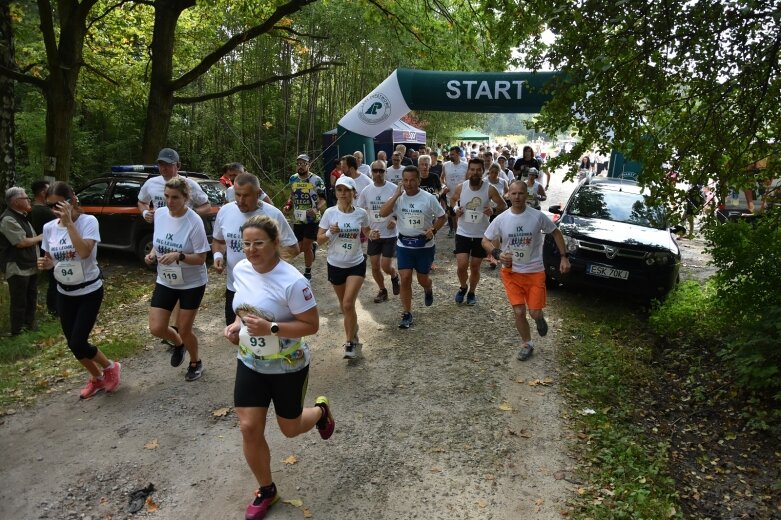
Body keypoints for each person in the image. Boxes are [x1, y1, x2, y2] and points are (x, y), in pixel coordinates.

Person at [223, 215, 335, 520]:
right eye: (246, 243)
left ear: (275, 244)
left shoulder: (293, 281)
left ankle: (321, 412)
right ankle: (266, 489)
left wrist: (272, 328)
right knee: (248, 427)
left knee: (290, 428)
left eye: (258, 243)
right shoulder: (242, 269)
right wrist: (235, 326)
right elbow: (242, 311)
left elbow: (311, 326)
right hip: (250, 361)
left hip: (288, 365)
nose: (251, 249)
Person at [38, 182, 121, 398]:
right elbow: (52, 260)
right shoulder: (49, 228)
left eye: (58, 204)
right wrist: (47, 265)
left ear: (72, 201)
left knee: (78, 341)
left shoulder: (88, 222)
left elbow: (84, 252)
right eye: (50, 206)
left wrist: (69, 225)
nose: (55, 210)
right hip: (64, 292)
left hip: (89, 291)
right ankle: (97, 378)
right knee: (74, 346)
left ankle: (110, 367)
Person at [482, 180, 570, 361]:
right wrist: (497, 254)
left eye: (521, 193)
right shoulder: (502, 218)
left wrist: (563, 256)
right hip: (511, 272)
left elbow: (555, 232)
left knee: (534, 312)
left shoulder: (537, 216)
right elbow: (485, 240)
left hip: (534, 271)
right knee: (519, 311)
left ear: (526, 195)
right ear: (508, 195)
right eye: (513, 193)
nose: (517, 197)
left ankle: (539, 318)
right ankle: (527, 343)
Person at [144, 177, 209, 381]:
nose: (169, 202)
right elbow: (159, 241)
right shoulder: (161, 214)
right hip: (166, 279)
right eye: (166, 196)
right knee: (156, 328)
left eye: (175, 197)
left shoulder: (194, 221)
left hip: (191, 283)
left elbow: (201, 258)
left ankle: (195, 362)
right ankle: (179, 344)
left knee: (185, 327)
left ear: (186, 198)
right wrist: (153, 253)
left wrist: (179, 256)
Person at [213, 173, 299, 325]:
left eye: (246, 196)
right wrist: (218, 256)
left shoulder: (272, 214)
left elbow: (293, 248)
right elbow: (218, 240)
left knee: (266, 337)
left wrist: (268, 262)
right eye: (237, 195)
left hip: (266, 287)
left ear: (258, 194)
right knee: (235, 334)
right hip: (235, 287)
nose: (240, 200)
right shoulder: (225, 211)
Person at [379, 165, 446, 329]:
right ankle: (407, 312)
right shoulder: (398, 198)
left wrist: (433, 229)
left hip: (424, 246)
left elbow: (442, 217)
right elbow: (382, 212)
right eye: (405, 180)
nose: (409, 184)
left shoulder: (428, 198)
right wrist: (395, 195)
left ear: (418, 180)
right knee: (406, 278)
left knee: (423, 279)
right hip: (404, 245)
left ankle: (428, 288)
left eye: (412, 180)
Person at [317, 177, 371, 358]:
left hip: (356, 263)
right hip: (335, 264)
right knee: (345, 306)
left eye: (346, 190)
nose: (342, 193)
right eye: (339, 190)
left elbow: (367, 232)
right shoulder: (329, 213)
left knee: (348, 303)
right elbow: (319, 239)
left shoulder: (361, 213)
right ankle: (353, 330)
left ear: (353, 193)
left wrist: (375, 235)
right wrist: (330, 232)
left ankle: (349, 343)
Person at [450, 159, 507, 305]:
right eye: (472, 169)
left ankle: (472, 292)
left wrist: (493, 209)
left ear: (483, 171)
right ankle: (463, 287)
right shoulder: (461, 187)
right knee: (461, 265)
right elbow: (452, 200)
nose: (475, 173)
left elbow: (503, 205)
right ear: (468, 171)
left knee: (475, 266)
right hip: (463, 232)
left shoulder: (490, 188)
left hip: (481, 235)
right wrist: (456, 209)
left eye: (478, 170)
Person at [356, 160, 401, 304]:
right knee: (374, 265)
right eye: (375, 170)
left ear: (385, 172)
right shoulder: (366, 191)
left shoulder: (394, 189)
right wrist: (366, 230)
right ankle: (382, 290)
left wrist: (394, 218)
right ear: (371, 172)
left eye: (381, 171)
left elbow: (402, 209)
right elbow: (360, 211)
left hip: (390, 234)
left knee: (385, 265)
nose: (378, 173)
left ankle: (394, 275)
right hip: (374, 233)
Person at [1, 188, 42, 335]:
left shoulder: (22, 216)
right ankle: (17, 332)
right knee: (19, 301)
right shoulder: (8, 219)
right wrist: (41, 237)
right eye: (26, 198)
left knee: (31, 297)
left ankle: (29, 327)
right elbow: (21, 242)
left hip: (29, 265)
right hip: (17, 267)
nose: (29, 200)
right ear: (16, 202)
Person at [282, 154, 326, 281]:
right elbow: (292, 195)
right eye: (298, 164)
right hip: (298, 218)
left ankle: (308, 272)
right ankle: (312, 247)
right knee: (299, 247)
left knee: (305, 247)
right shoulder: (293, 179)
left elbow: (323, 199)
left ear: (309, 165)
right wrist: (288, 205)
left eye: (303, 164)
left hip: (312, 219)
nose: (300, 166)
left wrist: (316, 208)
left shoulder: (316, 180)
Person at [30, 180, 57, 316]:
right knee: (55, 280)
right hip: (49, 250)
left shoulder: (35, 209)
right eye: (49, 190)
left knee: (53, 279)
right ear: (42, 193)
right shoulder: (43, 211)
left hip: (45, 248)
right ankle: (54, 309)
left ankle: (54, 308)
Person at [440, 145, 468, 237]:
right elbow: (441, 178)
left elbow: (468, 180)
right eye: (450, 154)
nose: (450, 156)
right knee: (451, 214)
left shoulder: (465, 166)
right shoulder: (445, 165)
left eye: (453, 154)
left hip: (462, 195)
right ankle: (453, 230)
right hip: (450, 194)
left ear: (458, 154)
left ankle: (461, 231)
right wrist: (444, 186)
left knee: (461, 214)